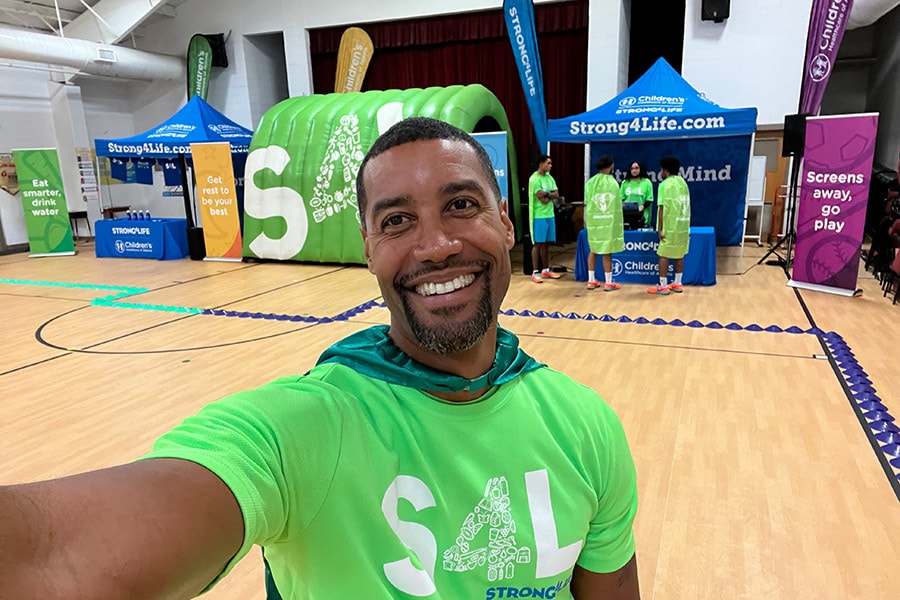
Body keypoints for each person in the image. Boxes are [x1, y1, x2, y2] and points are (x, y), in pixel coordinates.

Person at [0, 117, 640, 600]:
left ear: (506, 221)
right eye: (396, 221)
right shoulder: (299, 429)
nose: (436, 245)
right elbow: (54, 556)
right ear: (368, 248)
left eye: (461, 205)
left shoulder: (586, 427)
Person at [648, 155, 691, 295]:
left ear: (665, 170)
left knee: (663, 255)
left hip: (670, 225)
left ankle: (663, 285)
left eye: (661, 169)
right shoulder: (683, 183)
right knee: (679, 253)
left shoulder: (664, 185)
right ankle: (678, 283)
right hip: (683, 224)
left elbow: (661, 208)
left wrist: (659, 228)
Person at [584, 154, 625, 291]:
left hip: (594, 221)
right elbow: (616, 206)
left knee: (593, 250)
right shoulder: (613, 183)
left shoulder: (590, 182)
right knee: (607, 252)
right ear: (611, 165)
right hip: (608, 221)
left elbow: (588, 202)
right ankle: (608, 282)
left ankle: (591, 280)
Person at [528, 154, 563, 284]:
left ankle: (545, 269)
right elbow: (541, 200)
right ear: (541, 164)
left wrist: (547, 194)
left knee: (546, 243)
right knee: (538, 244)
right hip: (539, 216)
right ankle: (535, 271)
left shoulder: (549, 178)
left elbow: (557, 194)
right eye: (548, 163)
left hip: (550, 214)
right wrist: (549, 196)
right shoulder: (534, 179)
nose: (550, 166)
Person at [620, 161, 654, 228]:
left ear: (640, 169)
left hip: (642, 217)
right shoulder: (625, 183)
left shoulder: (647, 182)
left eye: (636, 168)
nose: (634, 170)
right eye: (632, 168)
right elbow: (621, 199)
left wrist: (642, 207)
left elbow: (649, 199)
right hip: (627, 217)